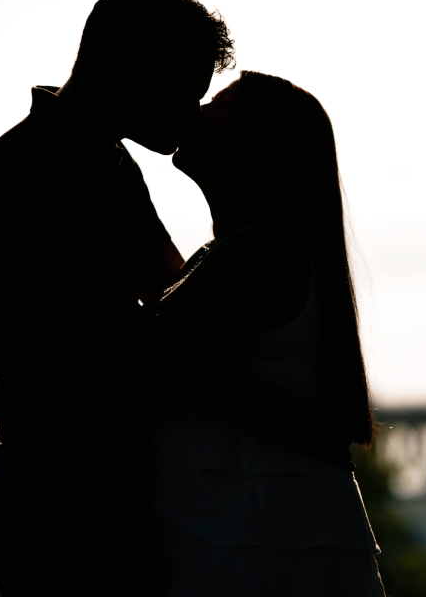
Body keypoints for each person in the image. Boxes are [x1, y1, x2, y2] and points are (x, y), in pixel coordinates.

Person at [0, 0, 235, 596]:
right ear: (134, 68)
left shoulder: (98, 162)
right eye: (187, 90)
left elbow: (171, 301)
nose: (192, 115)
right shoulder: (37, 166)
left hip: (95, 490)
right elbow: (128, 338)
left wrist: (2, 384)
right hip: (63, 506)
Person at [142, 71, 386, 596]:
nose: (198, 108)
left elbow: (135, 357)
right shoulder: (252, 254)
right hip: (266, 535)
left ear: (257, 146)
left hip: (257, 540)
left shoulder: (260, 257)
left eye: (220, 105)